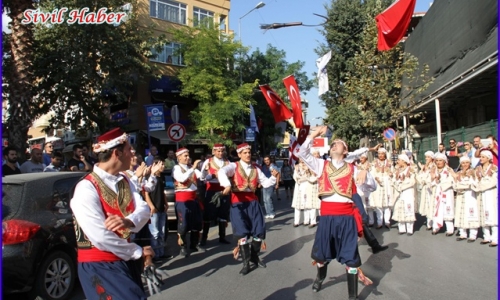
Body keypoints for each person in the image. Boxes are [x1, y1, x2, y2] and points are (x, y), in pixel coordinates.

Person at [296, 125, 379, 298]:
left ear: (346, 150)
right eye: (332, 143)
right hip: (327, 218)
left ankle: (352, 296)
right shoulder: (321, 165)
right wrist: (314, 135)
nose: (334, 144)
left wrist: (365, 171)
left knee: (351, 258)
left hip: (347, 219)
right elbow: (301, 153)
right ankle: (320, 277)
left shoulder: (354, 169)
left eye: (338, 143)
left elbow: (372, 186)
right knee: (321, 255)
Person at [70, 127, 153, 300]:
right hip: (100, 264)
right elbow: (100, 236)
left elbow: (144, 209)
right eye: (129, 150)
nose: (133, 154)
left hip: (123, 259)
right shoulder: (86, 187)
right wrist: (136, 252)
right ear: (117, 153)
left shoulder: (125, 180)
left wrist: (128, 221)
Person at [218, 143, 279, 275]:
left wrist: (274, 176)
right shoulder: (233, 166)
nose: (248, 155)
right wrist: (227, 185)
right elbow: (221, 171)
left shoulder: (256, 169)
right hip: (238, 204)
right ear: (239, 154)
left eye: (249, 152)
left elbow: (265, 183)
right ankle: (246, 262)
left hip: (253, 203)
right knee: (242, 233)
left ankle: (254, 256)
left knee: (259, 232)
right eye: (244, 153)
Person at [172, 148, 203, 257]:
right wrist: (193, 168)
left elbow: (203, 177)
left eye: (188, 155)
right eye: (185, 156)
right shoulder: (176, 168)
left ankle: (194, 244)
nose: (187, 157)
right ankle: (183, 247)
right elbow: (181, 179)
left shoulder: (191, 168)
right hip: (182, 200)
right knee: (183, 224)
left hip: (193, 199)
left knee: (197, 222)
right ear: (179, 157)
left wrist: (205, 169)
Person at [200, 144, 231, 246]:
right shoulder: (208, 162)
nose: (220, 153)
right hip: (211, 190)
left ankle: (222, 237)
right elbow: (202, 178)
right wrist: (212, 175)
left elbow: (232, 175)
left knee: (223, 213)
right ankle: (204, 238)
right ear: (213, 152)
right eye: (218, 151)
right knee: (208, 214)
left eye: (222, 151)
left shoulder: (227, 162)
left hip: (224, 190)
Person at [145, 157, 169, 258]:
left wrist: (166, 203)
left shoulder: (161, 177)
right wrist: (151, 206)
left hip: (161, 207)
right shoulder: (149, 178)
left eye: (163, 165)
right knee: (155, 233)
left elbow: (162, 192)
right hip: (154, 209)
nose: (163, 166)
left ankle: (161, 253)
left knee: (161, 232)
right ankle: (154, 256)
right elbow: (146, 193)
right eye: (161, 165)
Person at [454, 156, 480, 242]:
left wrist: (471, 178)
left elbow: (476, 184)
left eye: (467, 163)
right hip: (461, 195)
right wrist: (462, 186)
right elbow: (455, 185)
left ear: (470, 163)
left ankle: (473, 234)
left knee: (471, 212)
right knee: (461, 213)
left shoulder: (474, 172)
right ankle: (463, 233)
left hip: (471, 195)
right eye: (463, 163)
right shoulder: (458, 173)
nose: (465, 165)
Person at [475, 150, 498, 247]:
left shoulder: (494, 168)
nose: (481, 158)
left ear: (488, 158)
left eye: (483, 157)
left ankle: (495, 238)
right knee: (483, 213)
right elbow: (476, 180)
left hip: (490, 193)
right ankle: (486, 236)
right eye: (480, 156)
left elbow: (494, 182)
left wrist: (482, 186)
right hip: (481, 194)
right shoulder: (478, 169)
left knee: (492, 214)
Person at [430, 153, 456, 236]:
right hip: (436, 192)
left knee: (447, 209)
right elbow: (428, 181)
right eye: (436, 160)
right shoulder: (433, 170)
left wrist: (440, 183)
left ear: (444, 161)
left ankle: (450, 229)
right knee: (436, 208)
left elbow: (451, 181)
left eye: (440, 160)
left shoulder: (448, 170)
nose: (438, 162)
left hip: (446, 192)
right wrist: (434, 180)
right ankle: (436, 226)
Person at [391, 154, 417, 235]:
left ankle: (410, 229)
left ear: (404, 161)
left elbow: (413, 182)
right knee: (399, 208)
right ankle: (402, 228)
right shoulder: (397, 170)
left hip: (408, 192)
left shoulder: (411, 170)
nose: (397, 161)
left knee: (408, 208)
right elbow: (393, 181)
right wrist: (397, 181)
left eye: (399, 160)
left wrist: (403, 183)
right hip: (399, 193)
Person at [291, 159, 319, 228]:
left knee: (310, 205)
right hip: (300, 188)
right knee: (298, 205)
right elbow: (296, 178)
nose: (302, 163)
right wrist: (298, 172)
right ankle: (296, 221)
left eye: (304, 162)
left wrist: (307, 175)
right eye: (301, 162)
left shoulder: (311, 168)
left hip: (310, 187)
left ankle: (311, 221)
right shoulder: (297, 169)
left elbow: (314, 178)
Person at [370, 148, 393, 229]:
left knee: (387, 204)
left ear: (385, 154)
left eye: (382, 154)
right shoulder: (374, 163)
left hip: (387, 184)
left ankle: (387, 221)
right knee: (379, 204)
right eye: (379, 154)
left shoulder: (389, 163)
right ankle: (379, 222)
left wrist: (390, 175)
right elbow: (372, 173)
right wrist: (376, 178)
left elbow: (392, 172)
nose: (380, 155)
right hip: (378, 183)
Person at [417, 151, 436, 230]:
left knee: (432, 203)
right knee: (427, 204)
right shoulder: (424, 166)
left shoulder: (434, 166)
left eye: (428, 157)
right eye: (426, 157)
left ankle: (434, 222)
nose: (426, 159)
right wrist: (421, 170)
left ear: (431, 158)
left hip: (431, 187)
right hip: (425, 187)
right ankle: (429, 222)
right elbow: (420, 177)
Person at [356, 153, 375, 226]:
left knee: (369, 205)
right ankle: (364, 220)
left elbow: (372, 175)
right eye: (360, 158)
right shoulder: (358, 166)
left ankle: (371, 221)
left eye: (362, 158)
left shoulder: (370, 165)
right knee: (362, 204)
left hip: (368, 187)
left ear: (366, 158)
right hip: (360, 186)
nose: (361, 159)